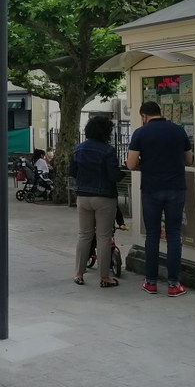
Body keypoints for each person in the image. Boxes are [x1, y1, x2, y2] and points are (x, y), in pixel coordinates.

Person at [127, 101, 194, 297]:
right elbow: (189, 159)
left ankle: (151, 282)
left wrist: (144, 163)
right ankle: (174, 285)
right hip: (176, 188)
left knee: (152, 235)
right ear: (159, 112)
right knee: (174, 234)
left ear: (143, 116)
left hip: (151, 189)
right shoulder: (178, 130)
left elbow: (131, 164)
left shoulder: (140, 133)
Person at [71, 116, 125, 288]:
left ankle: (79, 273)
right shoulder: (108, 150)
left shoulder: (78, 149)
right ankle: (104, 277)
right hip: (104, 198)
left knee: (84, 234)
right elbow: (114, 175)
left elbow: (72, 171)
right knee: (103, 237)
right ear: (106, 132)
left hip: (83, 196)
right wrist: (124, 170)